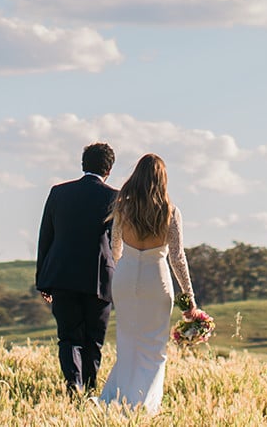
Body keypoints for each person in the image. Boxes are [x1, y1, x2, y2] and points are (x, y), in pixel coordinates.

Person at [98, 153, 195, 413]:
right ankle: (145, 404)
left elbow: (115, 247)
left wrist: (123, 271)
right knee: (153, 346)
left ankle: (117, 400)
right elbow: (177, 257)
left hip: (126, 277)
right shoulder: (170, 211)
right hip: (157, 279)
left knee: (128, 342)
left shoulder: (123, 208)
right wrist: (189, 299)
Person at [34, 142, 119, 395]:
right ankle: (91, 391)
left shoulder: (58, 193)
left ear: (83, 165)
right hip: (98, 279)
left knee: (68, 338)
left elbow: (45, 238)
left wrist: (43, 281)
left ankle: (74, 385)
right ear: (109, 169)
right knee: (93, 340)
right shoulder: (114, 197)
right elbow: (117, 243)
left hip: (62, 277)